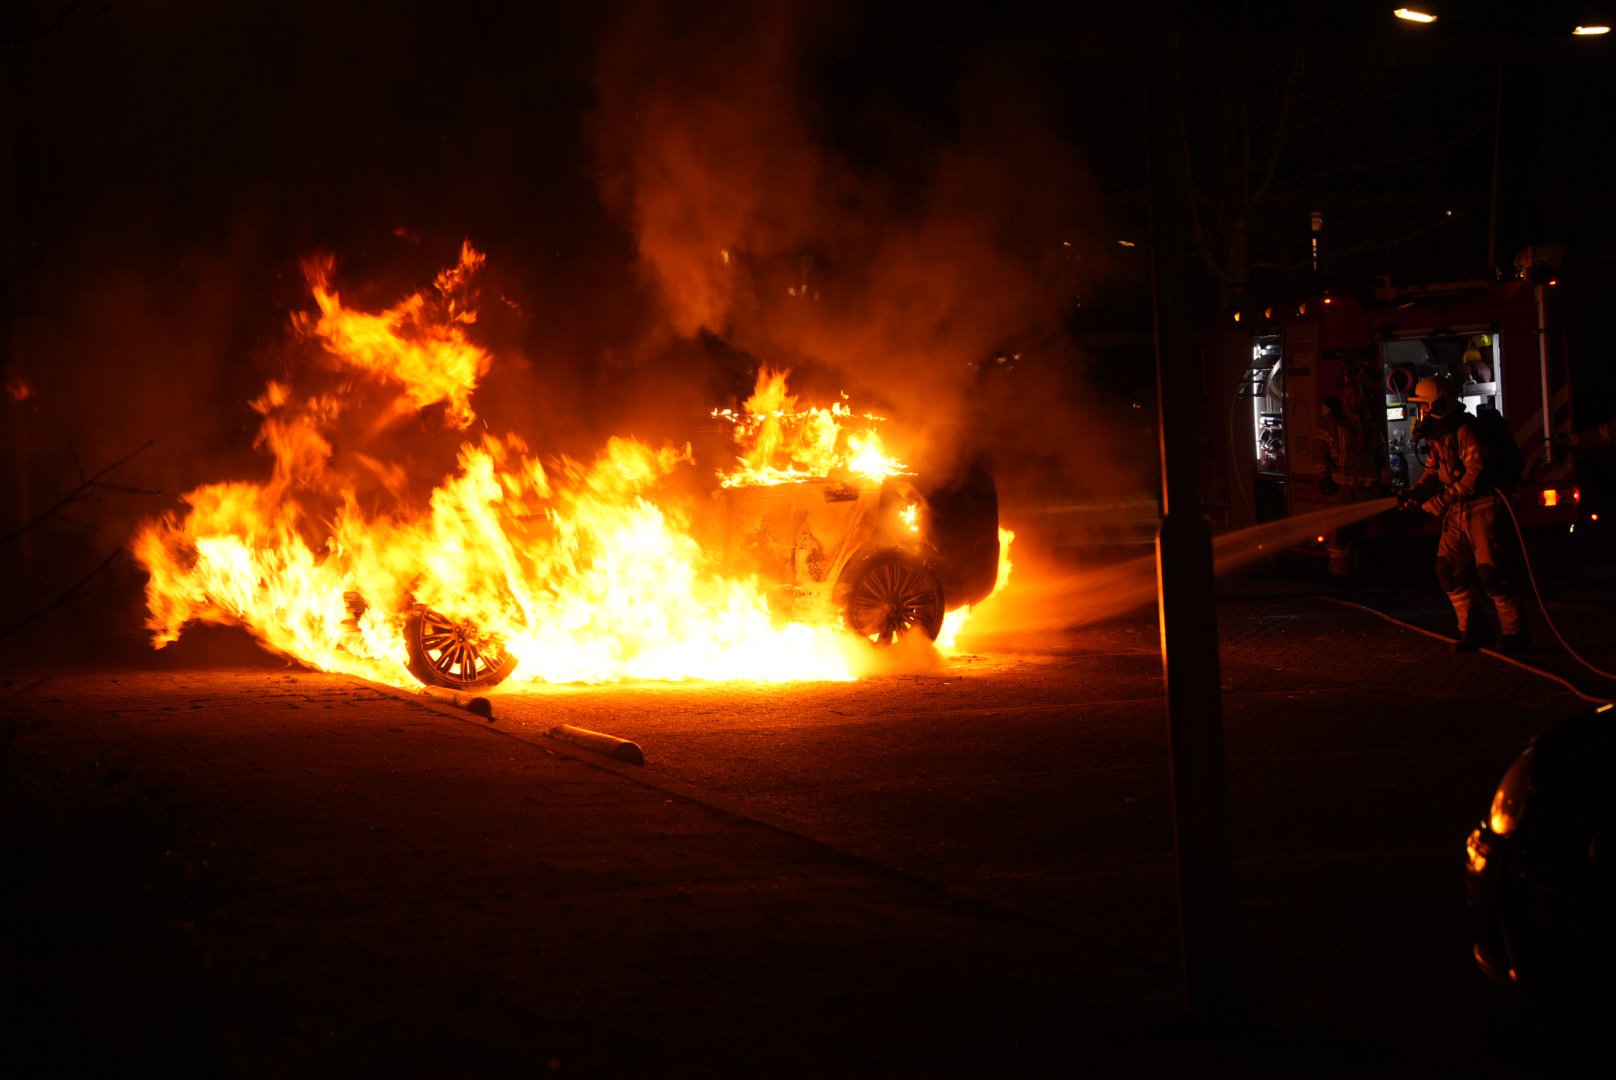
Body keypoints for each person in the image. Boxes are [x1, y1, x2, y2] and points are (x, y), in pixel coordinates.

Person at [1399, 372, 1528, 653]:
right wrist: (1417, 492)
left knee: (1491, 574)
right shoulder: (1439, 432)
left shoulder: (1467, 430)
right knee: (1447, 570)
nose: (1421, 411)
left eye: (1424, 405)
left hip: (1482, 508)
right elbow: (1434, 470)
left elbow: (1474, 474)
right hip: (1458, 512)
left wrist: (1441, 501)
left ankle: (1515, 633)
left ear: (1439, 404)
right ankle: (1473, 629)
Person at [1312, 374, 1391, 585]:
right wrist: (1324, 480)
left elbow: (1381, 454)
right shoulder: (1330, 423)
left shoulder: (1369, 423)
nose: (1350, 401)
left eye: (1354, 396)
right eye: (1346, 397)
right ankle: (1340, 577)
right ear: (1341, 398)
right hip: (1340, 493)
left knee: (1357, 537)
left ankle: (1352, 574)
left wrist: (1384, 481)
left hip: (1365, 493)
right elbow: (1319, 454)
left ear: (1361, 398)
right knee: (1340, 539)